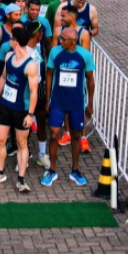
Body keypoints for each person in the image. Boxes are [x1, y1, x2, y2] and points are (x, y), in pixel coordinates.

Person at [41, 27, 95, 188]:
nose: (60, 41)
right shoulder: (55, 52)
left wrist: (90, 103)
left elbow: (90, 80)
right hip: (57, 101)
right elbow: (49, 74)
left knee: (76, 136)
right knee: (54, 134)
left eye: (63, 39)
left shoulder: (84, 55)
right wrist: (47, 100)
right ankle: (52, 169)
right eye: (60, 38)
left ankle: (75, 169)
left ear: (73, 41)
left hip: (77, 102)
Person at [0, 27, 39, 192]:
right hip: (5, 105)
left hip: (21, 109)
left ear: (15, 41)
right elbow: (4, 77)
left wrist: (30, 114)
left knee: (21, 143)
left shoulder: (30, 65)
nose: (9, 40)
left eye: (11, 38)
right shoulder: (9, 56)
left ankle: (21, 179)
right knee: (0, 140)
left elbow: (33, 92)